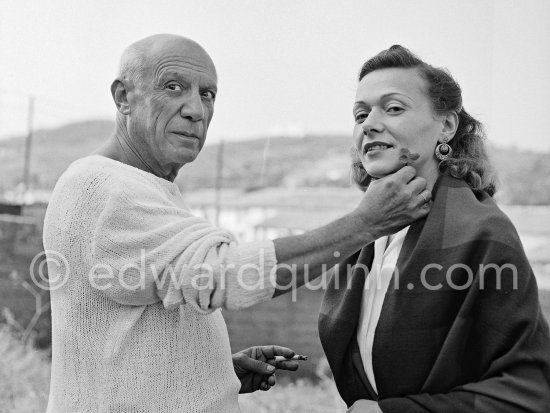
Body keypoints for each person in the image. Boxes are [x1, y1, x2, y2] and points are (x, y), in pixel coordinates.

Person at [42, 35, 431, 413]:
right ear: (123, 97)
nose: (195, 109)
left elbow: (139, 314)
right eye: (173, 87)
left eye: (207, 94)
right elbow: (225, 276)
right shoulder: (101, 186)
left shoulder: (141, 187)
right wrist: (366, 223)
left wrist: (212, 372)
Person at [319, 45, 550, 413]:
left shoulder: (483, 235)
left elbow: (530, 390)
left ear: (446, 125)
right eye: (360, 113)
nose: (369, 123)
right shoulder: (365, 237)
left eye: (393, 108)